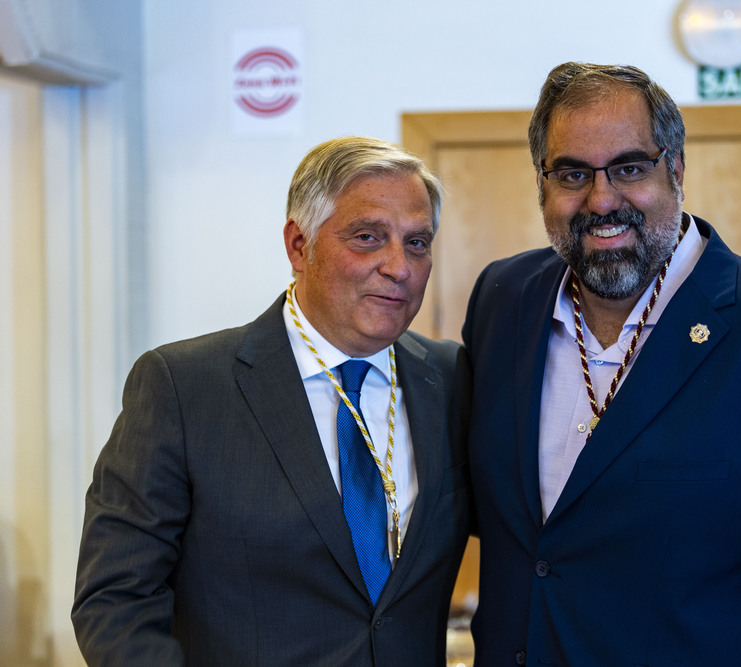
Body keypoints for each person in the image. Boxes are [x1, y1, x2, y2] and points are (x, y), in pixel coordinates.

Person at [462, 62, 741, 666]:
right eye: (572, 173)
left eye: (629, 167)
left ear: (675, 168)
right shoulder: (503, 300)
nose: (601, 199)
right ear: (543, 184)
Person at [73, 136, 471, 666]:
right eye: (368, 237)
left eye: (417, 243)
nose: (399, 266)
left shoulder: (451, 379)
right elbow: (115, 599)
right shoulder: (183, 387)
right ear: (299, 245)